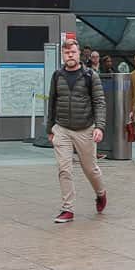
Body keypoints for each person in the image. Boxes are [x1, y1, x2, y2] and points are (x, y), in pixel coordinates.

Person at [47, 39, 107, 224]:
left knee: (90, 169)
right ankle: (68, 209)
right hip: (62, 128)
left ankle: (101, 193)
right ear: (63, 55)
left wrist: (99, 126)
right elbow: (52, 102)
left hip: (85, 128)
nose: (70, 55)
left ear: (79, 53)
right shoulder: (57, 75)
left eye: (73, 52)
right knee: (64, 169)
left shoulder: (90, 76)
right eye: (66, 53)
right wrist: (50, 128)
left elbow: (99, 102)